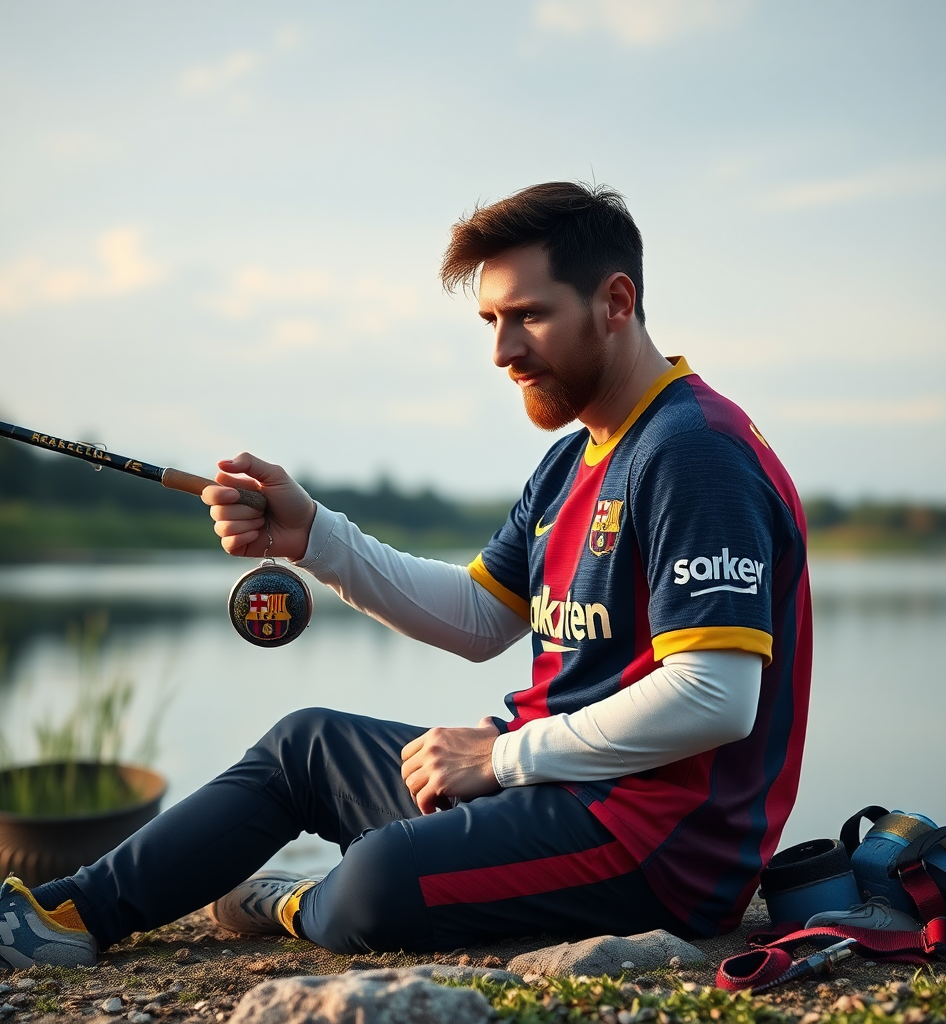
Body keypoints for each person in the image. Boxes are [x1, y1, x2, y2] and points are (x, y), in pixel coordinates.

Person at [0, 182, 811, 969]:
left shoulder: (691, 449)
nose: (503, 351)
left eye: (530, 316)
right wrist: (314, 536)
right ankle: (65, 913)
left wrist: (501, 758)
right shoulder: (573, 460)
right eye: (492, 319)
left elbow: (714, 694)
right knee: (304, 748)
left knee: (373, 882)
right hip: (560, 792)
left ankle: (290, 902)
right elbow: (477, 618)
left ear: (617, 302)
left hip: (658, 848)